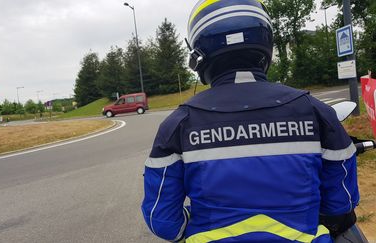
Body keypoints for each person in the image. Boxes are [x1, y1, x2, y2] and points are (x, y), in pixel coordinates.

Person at [141, 0, 359, 242]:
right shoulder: (317, 112)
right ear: (265, 41)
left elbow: (162, 221)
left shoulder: (177, 124)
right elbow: (342, 203)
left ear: (198, 55)